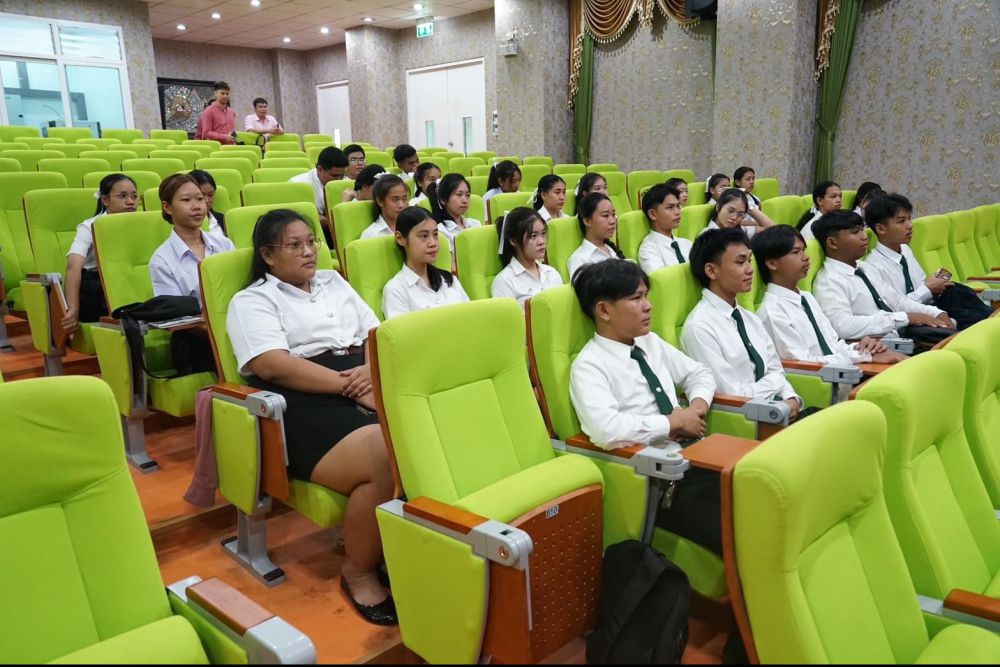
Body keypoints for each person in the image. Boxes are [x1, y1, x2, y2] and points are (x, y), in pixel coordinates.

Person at [226, 208, 396, 625]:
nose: (308, 252)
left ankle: (398, 547)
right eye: (295, 245)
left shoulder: (334, 281)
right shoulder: (252, 300)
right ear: (268, 255)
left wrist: (370, 372)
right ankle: (358, 570)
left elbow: (375, 333)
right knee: (384, 453)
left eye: (311, 242)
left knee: (427, 430)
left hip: (362, 377)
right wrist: (348, 385)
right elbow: (271, 364)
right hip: (300, 400)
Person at [570, 259, 719, 553]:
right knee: (741, 519)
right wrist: (673, 422)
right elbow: (606, 430)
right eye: (636, 298)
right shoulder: (590, 365)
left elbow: (699, 374)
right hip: (660, 482)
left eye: (646, 296)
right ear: (604, 310)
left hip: (697, 457)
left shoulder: (649, 342)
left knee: (761, 491)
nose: (648, 306)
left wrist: (695, 409)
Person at [681, 228, 803, 418]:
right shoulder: (699, 327)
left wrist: (792, 398)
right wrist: (775, 385)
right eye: (740, 262)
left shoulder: (749, 318)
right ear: (711, 270)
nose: (750, 269)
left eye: (749, 261)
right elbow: (732, 395)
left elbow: (776, 369)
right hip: (747, 421)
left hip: (779, 411)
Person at [751, 225, 906, 365]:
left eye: (804, 250)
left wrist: (862, 348)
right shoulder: (773, 312)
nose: (805, 257)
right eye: (796, 252)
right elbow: (802, 363)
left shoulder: (806, 297)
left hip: (841, 370)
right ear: (772, 263)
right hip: (820, 381)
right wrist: (861, 356)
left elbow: (833, 344)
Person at [811, 210, 956, 348]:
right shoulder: (830, 281)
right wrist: (903, 318)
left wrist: (935, 313)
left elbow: (897, 301)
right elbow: (842, 326)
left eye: (862, 230)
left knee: (952, 323)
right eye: (855, 232)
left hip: (902, 334)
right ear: (833, 243)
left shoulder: (865, 268)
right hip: (878, 346)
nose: (864, 236)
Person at [864, 193, 990, 330]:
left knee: (956, 290)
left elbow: (919, 284)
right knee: (966, 307)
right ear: (881, 228)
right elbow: (894, 308)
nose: (910, 225)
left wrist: (933, 284)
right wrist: (927, 289)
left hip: (930, 306)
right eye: (901, 221)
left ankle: (990, 320)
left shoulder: (905, 249)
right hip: (913, 321)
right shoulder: (873, 266)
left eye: (909, 219)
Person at [62, 174, 138, 333]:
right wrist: (73, 308)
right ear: (105, 200)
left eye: (134, 196)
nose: (130, 201)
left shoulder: (141, 223)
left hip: (130, 280)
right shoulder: (89, 226)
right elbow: (73, 267)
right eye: (122, 196)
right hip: (98, 286)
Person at [149, 173, 234, 304]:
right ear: (167, 207)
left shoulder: (224, 245)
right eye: (186, 200)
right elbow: (177, 311)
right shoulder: (162, 260)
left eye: (200, 199)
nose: (197, 206)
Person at [382, 207, 469, 319]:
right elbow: (401, 330)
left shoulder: (449, 280)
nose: (433, 243)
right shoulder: (396, 290)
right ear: (400, 238)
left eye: (435, 235)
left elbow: (470, 317)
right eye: (423, 236)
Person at [492, 207, 563, 307]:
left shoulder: (552, 273)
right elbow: (508, 317)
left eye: (543, 234)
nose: (541, 241)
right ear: (513, 240)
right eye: (533, 236)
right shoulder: (504, 281)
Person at [427, 173, 481, 265]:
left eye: (467, 195)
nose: (465, 200)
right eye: (459, 194)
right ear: (443, 199)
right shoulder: (440, 231)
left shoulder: (476, 224)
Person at [567, 193, 623, 279]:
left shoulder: (611, 249)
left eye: (613, 214)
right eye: (605, 215)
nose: (612, 221)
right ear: (587, 221)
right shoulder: (580, 259)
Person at [290, 146, 348, 228]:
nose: (339, 180)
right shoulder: (297, 184)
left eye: (342, 176)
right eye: (335, 176)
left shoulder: (346, 181)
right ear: (319, 169)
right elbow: (295, 216)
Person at [638, 184, 690, 272]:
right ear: (652, 214)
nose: (677, 212)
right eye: (670, 207)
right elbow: (661, 280)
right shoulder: (649, 249)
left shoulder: (687, 244)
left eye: (678, 206)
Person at [702, 188, 774, 239]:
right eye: (730, 211)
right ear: (718, 207)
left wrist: (750, 209)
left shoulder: (739, 230)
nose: (734, 218)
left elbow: (774, 231)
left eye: (740, 214)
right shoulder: (708, 236)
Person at [360, 175, 408, 239]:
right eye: (395, 199)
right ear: (380, 201)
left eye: (404, 199)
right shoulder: (371, 235)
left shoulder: (414, 226)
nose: (401, 205)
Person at [188, 169, 226, 236]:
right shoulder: (184, 223)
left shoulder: (223, 219)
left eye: (210, 195)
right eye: (201, 196)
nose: (206, 200)